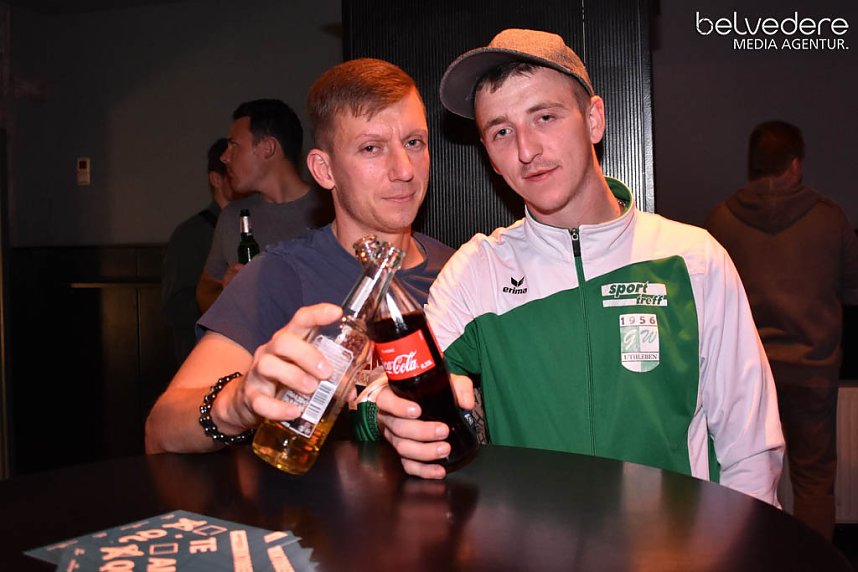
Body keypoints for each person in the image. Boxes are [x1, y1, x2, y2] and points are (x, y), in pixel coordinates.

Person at [368, 28, 785, 505]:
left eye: (545, 117)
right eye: (501, 131)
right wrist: (387, 411)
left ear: (593, 119)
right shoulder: (478, 271)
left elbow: (750, 448)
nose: (526, 150)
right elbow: (383, 389)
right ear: (489, 155)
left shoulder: (693, 258)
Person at [145, 58, 454, 454]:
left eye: (414, 142)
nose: (404, 169)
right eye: (372, 148)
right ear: (324, 171)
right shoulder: (280, 274)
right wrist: (237, 404)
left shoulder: (458, 271)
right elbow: (160, 430)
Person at [705, 120, 858, 538]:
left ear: (753, 166)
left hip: (748, 377)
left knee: (745, 481)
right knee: (813, 482)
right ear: (795, 165)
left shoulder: (719, 222)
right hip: (812, 372)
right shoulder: (830, 219)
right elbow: (851, 287)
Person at [196, 98, 333, 312]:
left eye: (234, 145)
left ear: (268, 148)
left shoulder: (330, 209)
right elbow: (204, 294)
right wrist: (228, 292)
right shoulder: (234, 216)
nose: (224, 157)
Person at [161, 138, 238, 366]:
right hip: (203, 359)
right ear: (216, 179)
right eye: (232, 173)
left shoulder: (248, 225)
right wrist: (222, 295)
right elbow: (175, 308)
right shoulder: (192, 234)